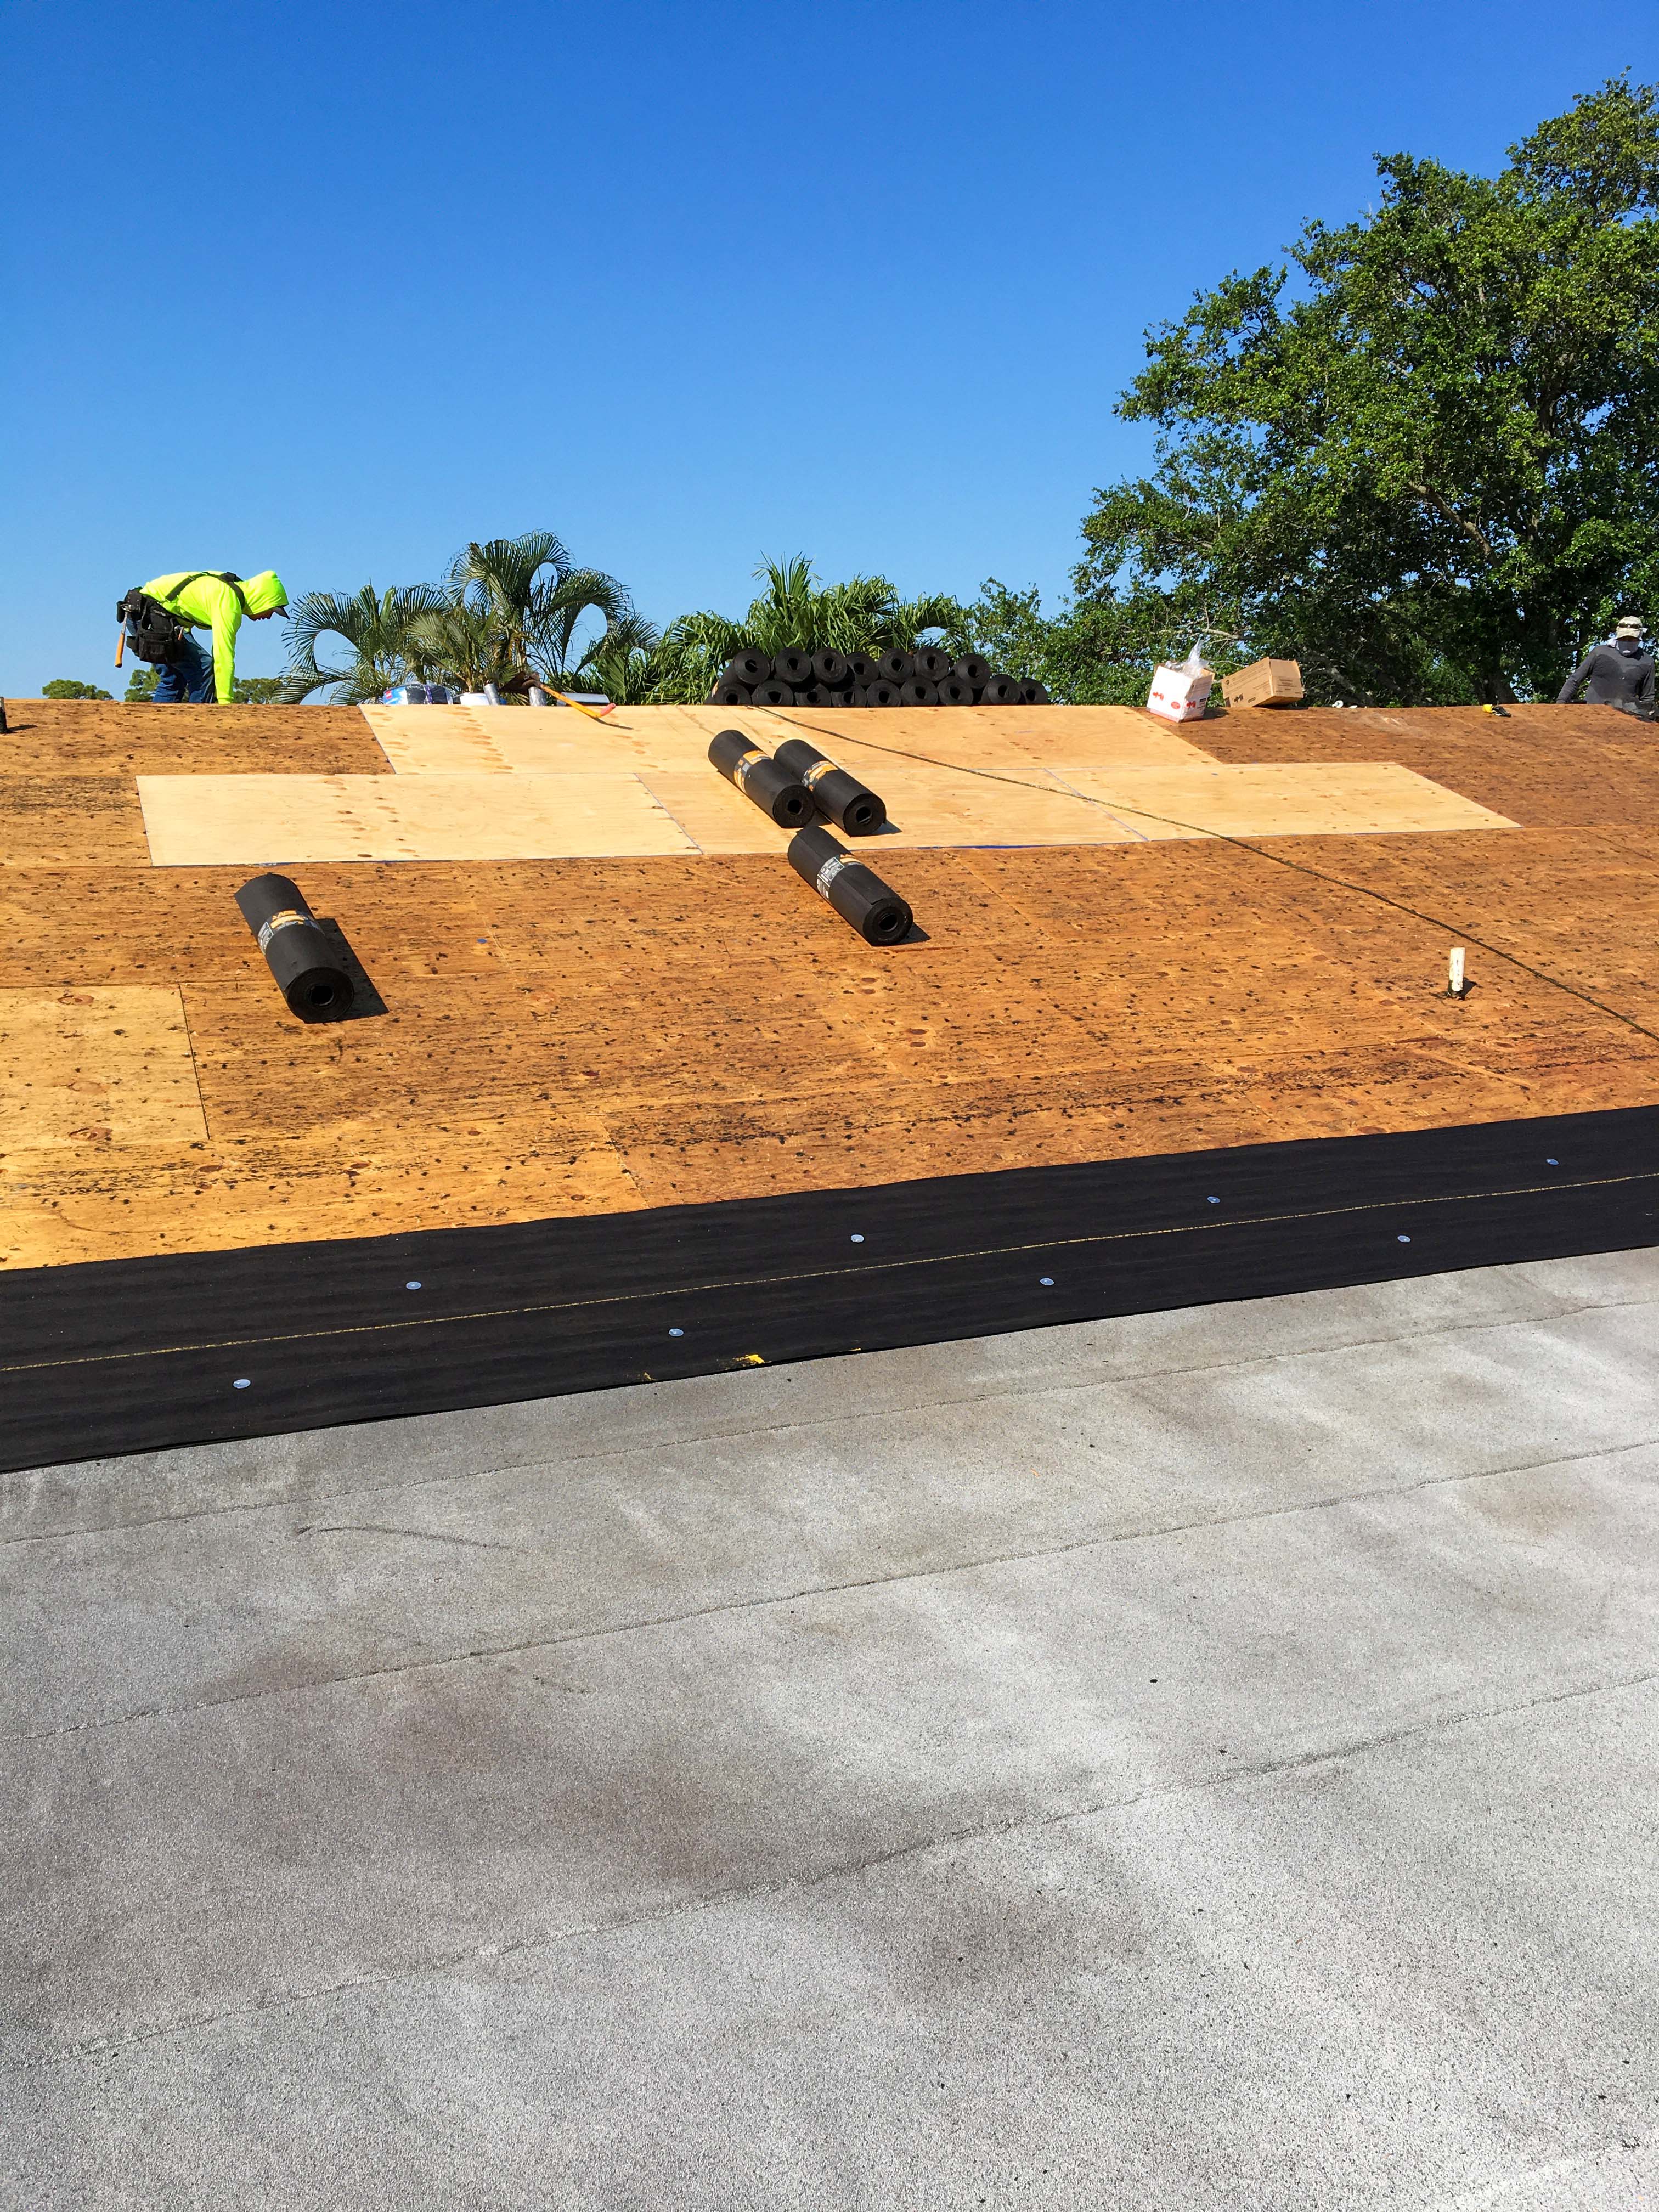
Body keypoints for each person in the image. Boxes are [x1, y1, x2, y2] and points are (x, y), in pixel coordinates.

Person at [136, 569, 289, 703]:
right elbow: (223, 656)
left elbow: (185, 605)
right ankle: (201, 726)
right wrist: (225, 702)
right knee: (203, 667)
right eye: (272, 610)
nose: (269, 617)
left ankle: (155, 733)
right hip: (148, 614)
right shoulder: (229, 602)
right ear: (261, 599)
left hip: (145, 610)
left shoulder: (231, 588)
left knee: (175, 679)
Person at [1556, 614, 1654, 716]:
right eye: (1624, 639)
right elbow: (1575, 679)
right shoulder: (1600, 653)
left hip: (1625, 718)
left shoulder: (1647, 662)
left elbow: (1647, 698)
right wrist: (1560, 704)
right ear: (1618, 637)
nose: (1627, 642)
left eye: (1632, 639)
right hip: (1591, 713)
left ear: (1639, 638)